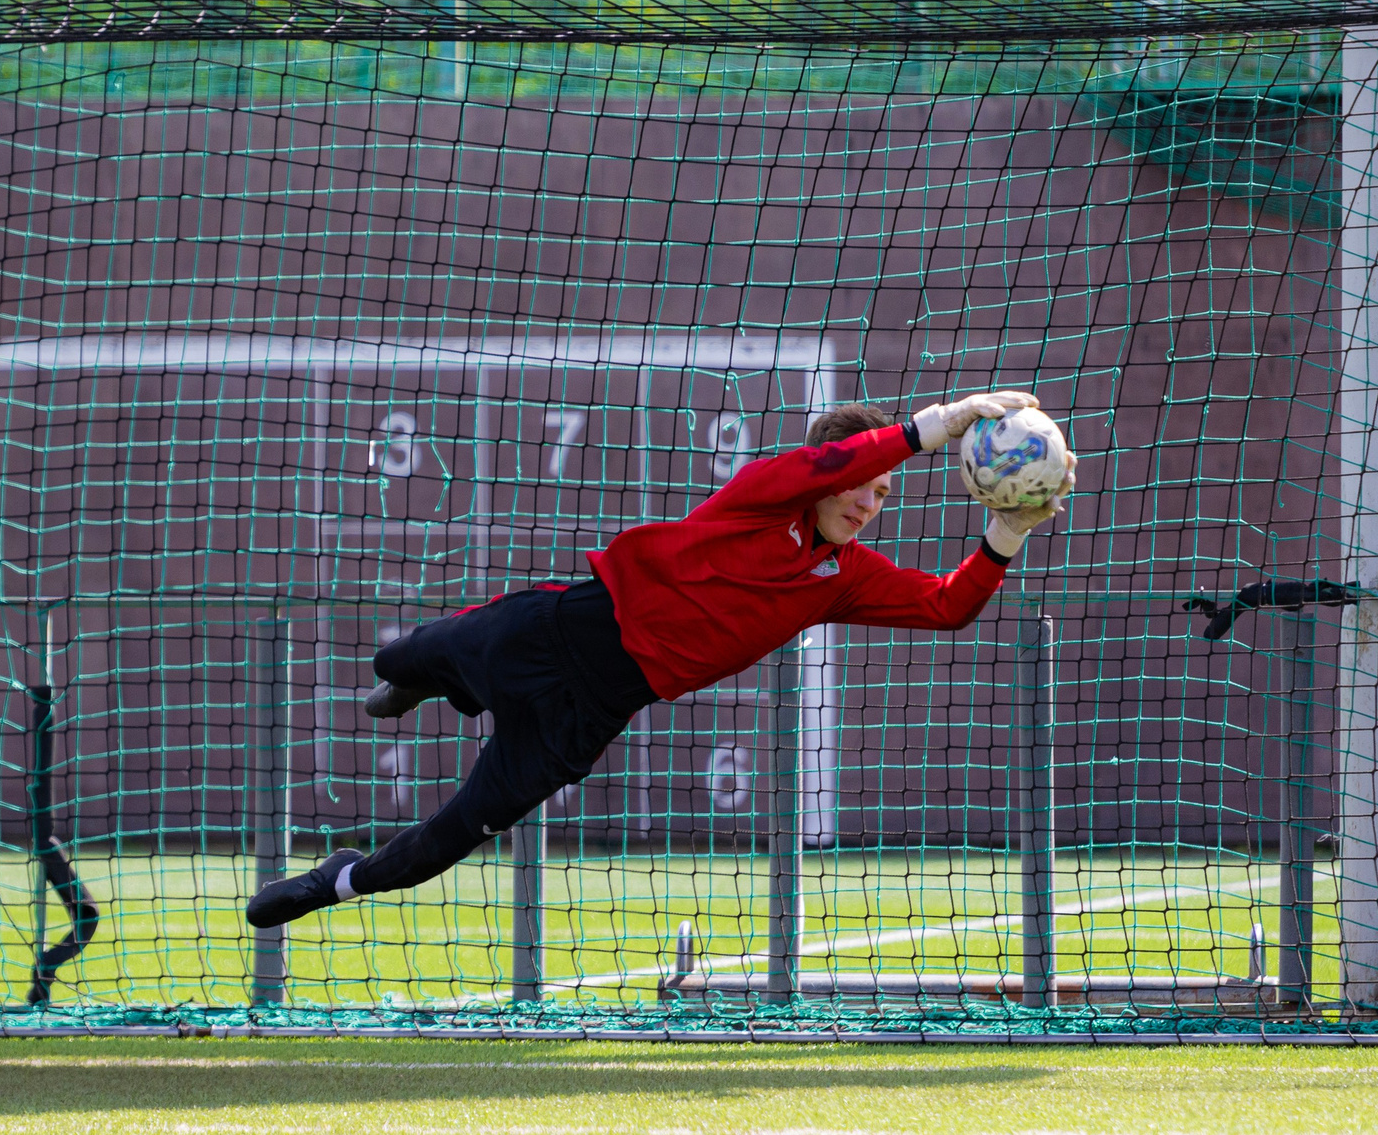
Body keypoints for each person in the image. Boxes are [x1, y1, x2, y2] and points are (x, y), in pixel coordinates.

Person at [247, 391, 1076, 929]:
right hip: (562, 628)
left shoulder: (841, 577)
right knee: (402, 655)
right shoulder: (768, 489)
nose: (870, 502)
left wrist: (1008, 531)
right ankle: (425, 682)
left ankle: (338, 882)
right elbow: (839, 459)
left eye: (885, 495)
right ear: (825, 477)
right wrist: (944, 420)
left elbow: (946, 607)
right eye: (866, 484)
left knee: (458, 832)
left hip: (595, 708)